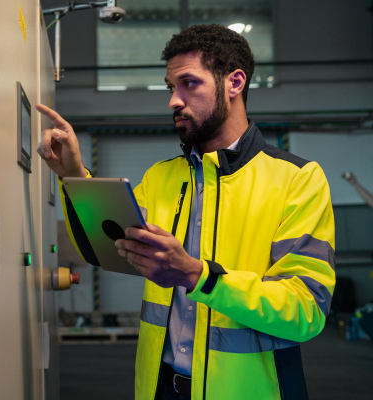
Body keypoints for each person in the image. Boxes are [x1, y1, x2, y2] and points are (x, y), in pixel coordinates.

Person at [36, 24, 335, 400]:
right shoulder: (160, 177)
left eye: (188, 84)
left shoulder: (297, 180)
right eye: (170, 87)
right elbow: (105, 249)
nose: (174, 101)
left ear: (235, 82)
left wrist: (198, 276)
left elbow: (305, 310)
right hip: (161, 389)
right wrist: (75, 175)